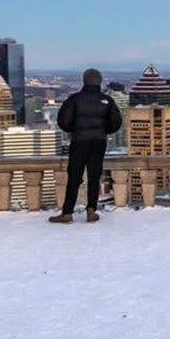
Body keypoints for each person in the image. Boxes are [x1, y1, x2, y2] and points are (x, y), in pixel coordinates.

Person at [50, 68, 123, 224]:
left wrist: (74, 129)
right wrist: (104, 130)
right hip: (99, 142)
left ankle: (67, 212)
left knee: (74, 176)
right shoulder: (107, 100)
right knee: (94, 176)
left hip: (79, 142)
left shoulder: (74, 99)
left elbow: (63, 122)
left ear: (84, 81)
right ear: (99, 81)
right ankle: (91, 210)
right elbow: (116, 123)